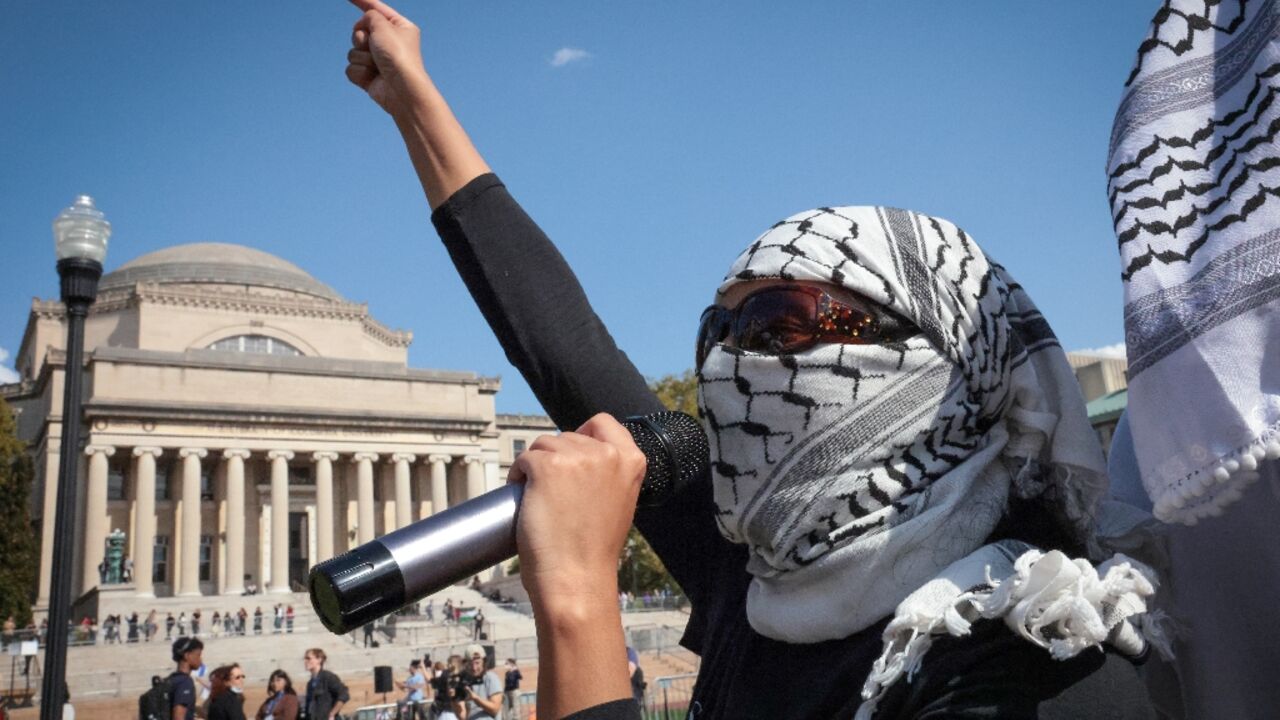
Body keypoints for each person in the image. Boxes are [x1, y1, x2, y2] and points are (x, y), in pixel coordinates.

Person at [342, 2, 1165, 718]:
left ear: (944, 363)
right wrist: (416, 102)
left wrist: (579, 601)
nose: (732, 364)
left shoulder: (1040, 664)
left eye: (779, 324)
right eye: (720, 331)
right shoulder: (760, 573)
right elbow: (563, 345)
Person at [458, 644, 503, 720]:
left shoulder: (490, 678)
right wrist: (454, 700)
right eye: (470, 664)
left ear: (483, 662)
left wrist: (475, 698)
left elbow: (495, 710)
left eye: (477, 663)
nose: (474, 668)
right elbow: (462, 716)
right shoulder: (464, 681)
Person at [302, 648, 349, 720]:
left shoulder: (328, 677)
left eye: (308, 658)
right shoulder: (310, 684)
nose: (305, 661)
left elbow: (344, 695)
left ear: (319, 660)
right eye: (305, 659)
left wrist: (332, 713)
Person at [168, 637, 203, 720]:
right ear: (187, 655)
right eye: (198, 655)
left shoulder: (171, 679)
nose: (200, 659)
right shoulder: (185, 682)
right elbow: (178, 716)